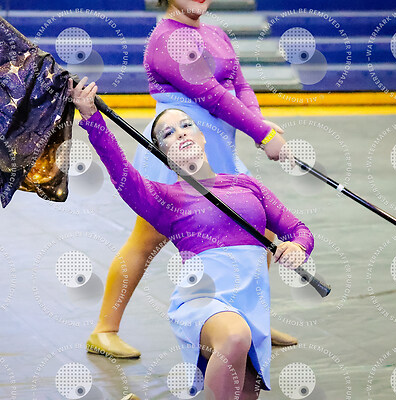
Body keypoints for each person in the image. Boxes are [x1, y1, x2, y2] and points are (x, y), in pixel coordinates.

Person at [69, 77, 314, 399]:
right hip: (203, 302)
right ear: (162, 154)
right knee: (235, 336)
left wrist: (297, 247)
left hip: (250, 305)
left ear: (202, 136)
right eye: (168, 133)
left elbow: (299, 230)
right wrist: (91, 117)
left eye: (186, 125)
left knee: (243, 391)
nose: (181, 133)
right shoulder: (165, 199)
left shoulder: (247, 186)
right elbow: (120, 170)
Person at [87, 0, 297, 359]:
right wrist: (261, 134)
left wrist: (259, 121)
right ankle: (104, 330)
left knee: (261, 230)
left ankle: (248, 316)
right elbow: (211, 95)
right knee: (147, 240)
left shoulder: (215, 33)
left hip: (218, 151)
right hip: (178, 153)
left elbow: (240, 85)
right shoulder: (167, 38)